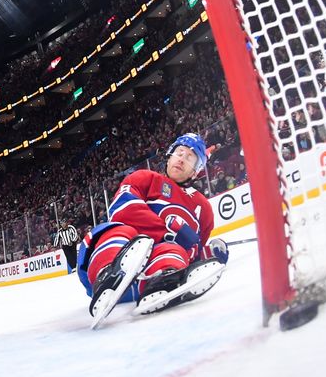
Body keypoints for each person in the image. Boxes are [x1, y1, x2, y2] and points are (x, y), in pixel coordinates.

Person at [77, 133, 230, 324]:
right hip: (118, 254)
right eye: (179, 152)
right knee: (116, 231)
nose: (182, 159)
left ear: (195, 171)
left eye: (189, 157)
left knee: (173, 251)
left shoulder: (203, 209)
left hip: (145, 277)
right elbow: (122, 209)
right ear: (170, 155)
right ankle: (108, 276)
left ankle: (164, 279)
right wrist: (166, 233)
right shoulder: (145, 178)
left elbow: (194, 249)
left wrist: (210, 252)